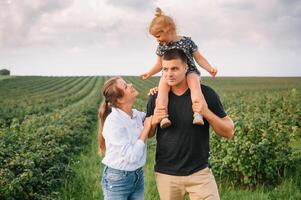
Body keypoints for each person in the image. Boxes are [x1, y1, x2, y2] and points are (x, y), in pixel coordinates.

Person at [146, 49, 234, 200]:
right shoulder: (156, 98)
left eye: (175, 68)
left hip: (200, 173)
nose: (169, 74)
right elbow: (148, 134)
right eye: (165, 69)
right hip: (166, 175)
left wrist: (206, 112)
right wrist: (154, 120)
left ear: (186, 67)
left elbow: (229, 131)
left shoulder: (206, 94)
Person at [142, 7, 217, 129]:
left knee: (195, 88)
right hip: (169, 75)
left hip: (190, 71)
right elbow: (159, 64)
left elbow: (199, 58)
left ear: (169, 30)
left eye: (159, 36)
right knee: (162, 91)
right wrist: (149, 73)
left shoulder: (187, 42)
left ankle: (198, 113)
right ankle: (163, 116)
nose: (157, 40)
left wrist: (210, 69)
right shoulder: (161, 46)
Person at [98, 77, 159, 200]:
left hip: (137, 176)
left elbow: (150, 123)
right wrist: (146, 127)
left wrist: (155, 97)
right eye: (125, 86)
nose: (130, 85)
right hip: (117, 179)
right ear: (119, 99)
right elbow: (132, 156)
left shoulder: (135, 114)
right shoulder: (114, 122)